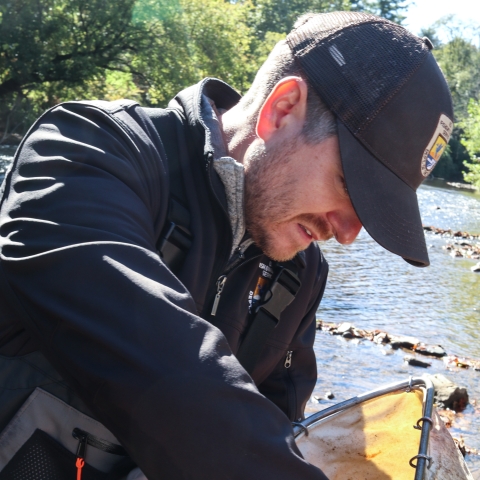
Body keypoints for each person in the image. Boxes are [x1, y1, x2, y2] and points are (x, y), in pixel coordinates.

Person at [0, 11, 453, 480]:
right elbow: (164, 374)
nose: (347, 232)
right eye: (351, 187)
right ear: (282, 110)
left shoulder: (300, 273)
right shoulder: (85, 152)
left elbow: (283, 432)